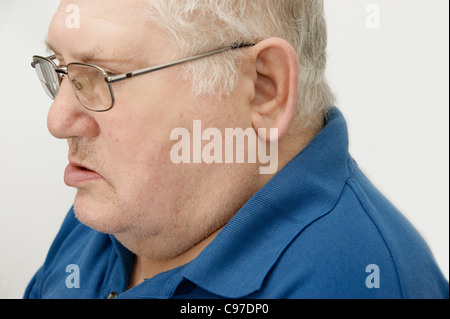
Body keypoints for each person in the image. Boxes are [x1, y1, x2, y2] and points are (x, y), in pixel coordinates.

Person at [24, 0, 448, 299]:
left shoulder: (353, 282)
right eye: (61, 69)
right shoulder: (119, 208)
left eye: (100, 76)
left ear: (264, 88)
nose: (58, 120)